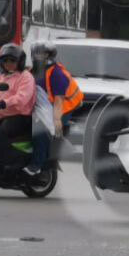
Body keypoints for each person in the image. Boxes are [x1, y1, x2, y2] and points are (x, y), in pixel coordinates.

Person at [27, 40, 83, 175]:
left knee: (40, 131)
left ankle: (37, 164)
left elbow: (59, 99)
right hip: (47, 106)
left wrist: (56, 120)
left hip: (64, 107)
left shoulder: (56, 73)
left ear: (49, 55)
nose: (39, 56)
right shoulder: (34, 71)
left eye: (43, 54)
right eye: (37, 53)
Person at [0, 44, 36, 178]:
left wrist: (3, 103)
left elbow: (21, 98)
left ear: (20, 61)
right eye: (5, 60)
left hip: (19, 116)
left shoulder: (25, 77)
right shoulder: (2, 76)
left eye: (12, 60)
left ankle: (0, 168)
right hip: (1, 115)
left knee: (0, 133)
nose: (9, 64)